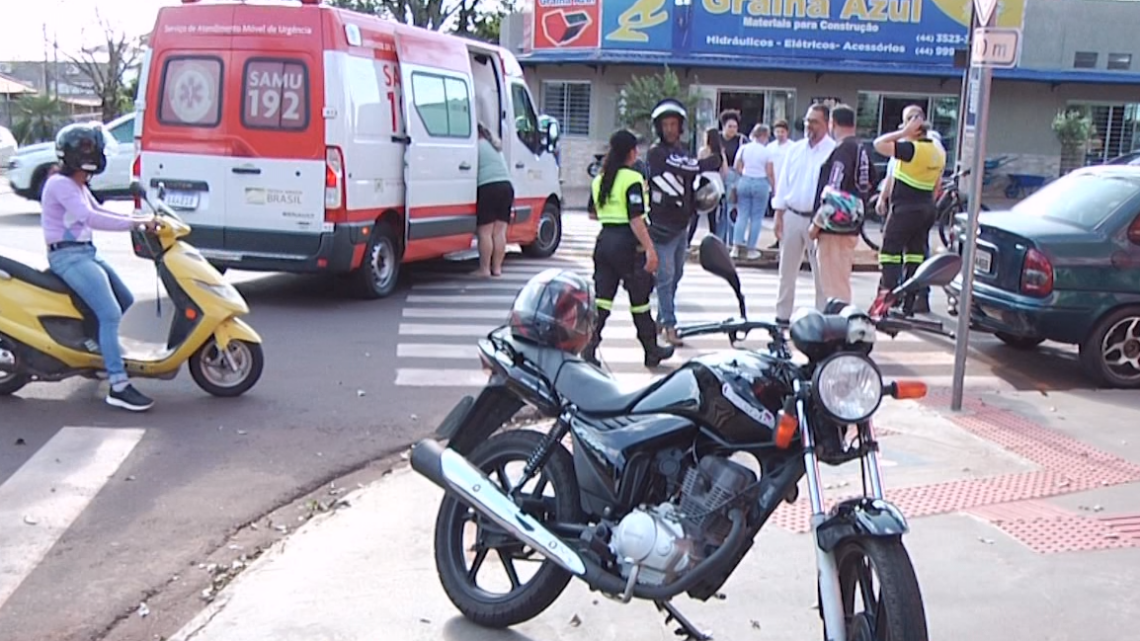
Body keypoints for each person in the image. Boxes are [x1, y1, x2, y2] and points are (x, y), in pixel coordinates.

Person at [41, 122, 158, 411]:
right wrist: (137, 224)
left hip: (85, 253)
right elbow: (90, 218)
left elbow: (100, 209)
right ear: (85, 155)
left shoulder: (77, 183)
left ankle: (99, 353)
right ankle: (118, 385)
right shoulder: (60, 184)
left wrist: (140, 214)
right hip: (67, 256)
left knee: (125, 299)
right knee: (109, 313)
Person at [581, 130, 674, 368]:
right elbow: (636, 219)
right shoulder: (632, 179)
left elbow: (593, 213)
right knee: (640, 300)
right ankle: (651, 350)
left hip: (604, 242)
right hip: (628, 243)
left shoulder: (600, 179)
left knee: (602, 300)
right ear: (631, 152)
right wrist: (650, 250)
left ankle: (589, 348)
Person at [645, 98, 723, 348]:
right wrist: (714, 155)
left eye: (673, 124)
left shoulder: (682, 151)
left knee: (676, 274)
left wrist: (714, 140)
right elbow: (697, 167)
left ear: (680, 127)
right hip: (661, 227)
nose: (669, 129)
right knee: (666, 276)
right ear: (659, 127)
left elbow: (701, 173)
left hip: (681, 226)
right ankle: (669, 324)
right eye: (665, 124)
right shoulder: (657, 153)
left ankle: (661, 318)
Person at [872, 105, 947, 317]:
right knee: (915, 254)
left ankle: (888, 298)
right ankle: (909, 302)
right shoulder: (938, 150)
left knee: (890, 253)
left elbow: (879, 144)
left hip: (904, 209)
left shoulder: (911, 149)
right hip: (926, 208)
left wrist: (904, 134)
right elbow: (937, 184)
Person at [771, 103, 837, 324]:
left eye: (815, 121)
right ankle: (782, 316)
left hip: (818, 220)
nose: (809, 125)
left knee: (822, 275)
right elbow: (783, 182)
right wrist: (778, 214)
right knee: (786, 271)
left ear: (826, 124)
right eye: (808, 120)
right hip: (792, 215)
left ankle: (823, 318)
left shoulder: (832, 151)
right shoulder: (795, 149)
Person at [808, 104, 877, 306]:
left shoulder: (842, 150)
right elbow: (871, 181)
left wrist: (816, 224)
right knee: (840, 281)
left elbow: (833, 192)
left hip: (834, 228)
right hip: (852, 225)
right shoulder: (862, 148)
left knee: (834, 287)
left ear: (832, 123)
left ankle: (837, 328)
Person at [475, 123, 515, 277]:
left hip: (488, 187)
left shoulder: (476, 146)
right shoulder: (494, 146)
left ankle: (484, 269)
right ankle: (497, 269)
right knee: (499, 232)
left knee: (485, 232)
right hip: (506, 186)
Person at [730, 123, 775, 260]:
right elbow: (769, 172)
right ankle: (751, 249)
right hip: (761, 182)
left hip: (745, 180)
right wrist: (774, 188)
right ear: (764, 136)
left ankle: (736, 247)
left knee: (742, 215)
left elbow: (737, 166)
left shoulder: (744, 148)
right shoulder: (767, 151)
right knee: (756, 218)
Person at [688, 127, 728, 243]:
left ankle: (688, 240)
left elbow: (697, 166)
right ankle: (714, 241)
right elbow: (725, 171)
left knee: (696, 214)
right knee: (713, 216)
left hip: (703, 180)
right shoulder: (720, 152)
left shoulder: (703, 151)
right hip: (715, 182)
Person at [716, 110, 747, 244]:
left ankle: (733, 239)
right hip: (718, 176)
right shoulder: (717, 139)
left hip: (734, 176)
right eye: (730, 126)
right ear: (723, 126)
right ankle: (719, 239)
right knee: (720, 210)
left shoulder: (741, 140)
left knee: (731, 208)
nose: (733, 130)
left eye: (735, 127)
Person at [765, 119, 792, 253]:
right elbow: (768, 167)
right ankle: (777, 238)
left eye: (782, 131)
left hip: (789, 185)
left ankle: (786, 239)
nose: (780, 134)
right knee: (777, 213)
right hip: (774, 183)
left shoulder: (792, 147)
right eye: (777, 131)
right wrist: (772, 184)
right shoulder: (770, 147)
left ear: (787, 132)